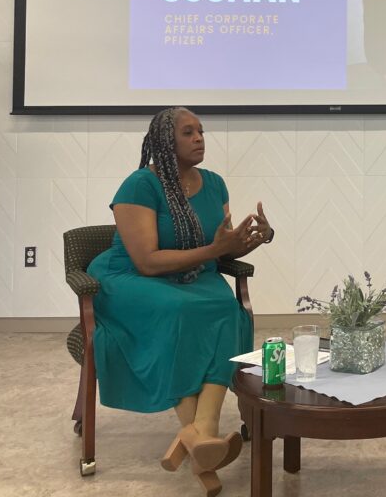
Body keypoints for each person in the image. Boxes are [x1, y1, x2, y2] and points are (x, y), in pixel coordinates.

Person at [86, 107, 273, 496]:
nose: (199, 138)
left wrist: (257, 237)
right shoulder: (140, 185)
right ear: (165, 142)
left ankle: (200, 437)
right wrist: (215, 249)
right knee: (181, 311)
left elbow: (219, 246)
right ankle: (202, 439)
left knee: (224, 308)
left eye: (201, 131)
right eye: (189, 132)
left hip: (193, 276)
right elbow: (147, 261)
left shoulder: (215, 184)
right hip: (132, 279)